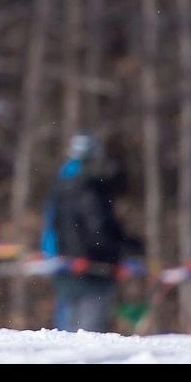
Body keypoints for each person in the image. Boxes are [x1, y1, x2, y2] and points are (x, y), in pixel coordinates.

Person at [45, 141, 134, 333]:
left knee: (68, 329)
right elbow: (98, 230)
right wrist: (123, 249)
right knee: (88, 332)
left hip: (67, 265)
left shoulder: (61, 184)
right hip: (94, 271)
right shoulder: (91, 189)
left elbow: (57, 224)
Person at [41, 132, 92, 330]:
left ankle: (66, 331)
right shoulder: (80, 177)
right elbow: (61, 217)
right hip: (70, 248)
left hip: (61, 245)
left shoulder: (65, 174)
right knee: (71, 297)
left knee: (67, 296)